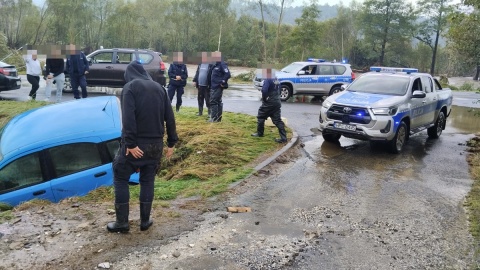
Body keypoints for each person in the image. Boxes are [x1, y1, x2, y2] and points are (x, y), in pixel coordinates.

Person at [107, 60, 178, 233]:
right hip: (156, 146)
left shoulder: (130, 87)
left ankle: (122, 223)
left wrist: (130, 144)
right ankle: (145, 222)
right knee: (147, 180)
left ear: (129, 74)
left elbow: (128, 118)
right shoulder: (160, 89)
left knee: (120, 176)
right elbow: (170, 117)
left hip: (136, 146)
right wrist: (171, 143)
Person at [251, 68, 287, 143]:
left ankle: (260, 133)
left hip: (269, 102)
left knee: (261, 116)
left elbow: (264, 90)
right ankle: (283, 138)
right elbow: (279, 90)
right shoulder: (276, 79)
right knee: (277, 120)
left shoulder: (268, 80)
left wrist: (265, 98)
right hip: (277, 102)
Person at [208, 51, 230, 122]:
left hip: (218, 86)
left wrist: (222, 82)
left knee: (213, 101)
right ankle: (218, 118)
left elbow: (227, 74)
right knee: (218, 101)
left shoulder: (222, 64)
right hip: (213, 86)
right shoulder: (215, 65)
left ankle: (214, 118)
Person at [192, 52, 212, 116]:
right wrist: (195, 80)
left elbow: (212, 75)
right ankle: (200, 112)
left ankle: (209, 113)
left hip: (207, 86)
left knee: (208, 100)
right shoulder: (200, 64)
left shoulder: (210, 65)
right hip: (200, 85)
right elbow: (197, 73)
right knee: (200, 99)